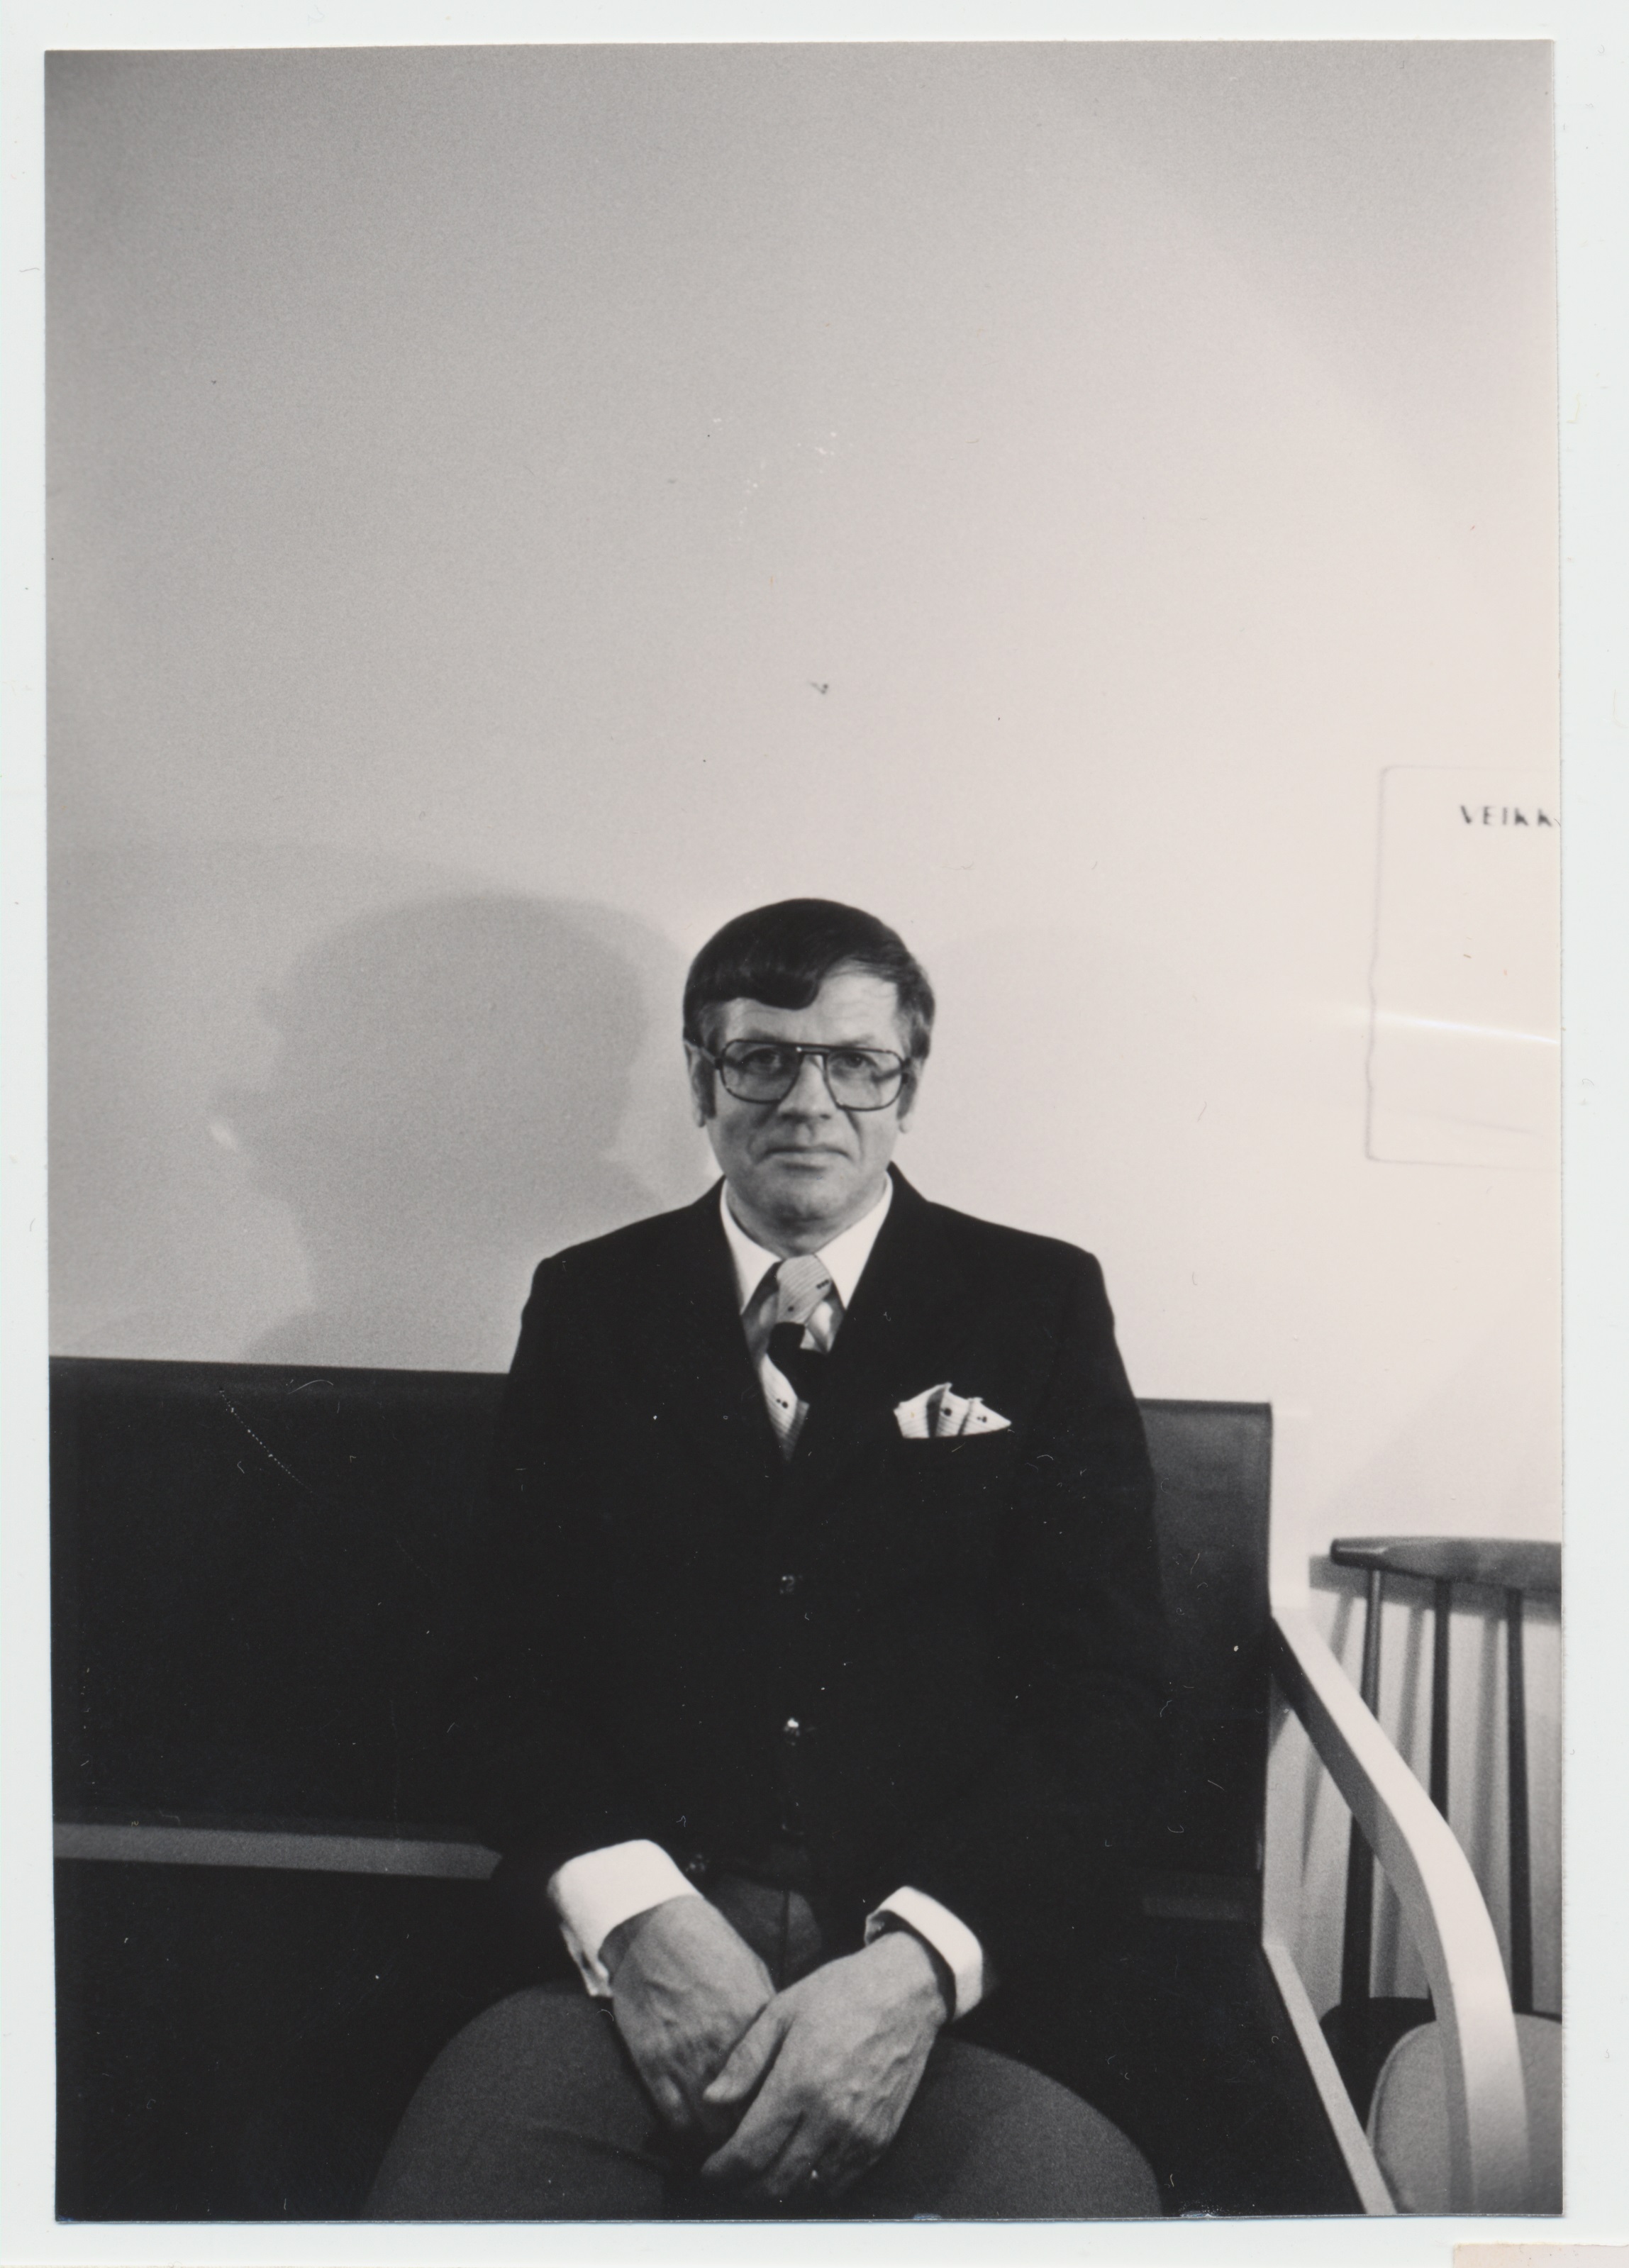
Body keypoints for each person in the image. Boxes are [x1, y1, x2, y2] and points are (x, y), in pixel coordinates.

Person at [368, 899, 1166, 2220]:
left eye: (855, 1063)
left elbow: (1105, 1694)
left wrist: (914, 1969)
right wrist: (641, 1921)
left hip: (958, 1975)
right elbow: (500, 1673)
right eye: (761, 1059)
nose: (809, 1101)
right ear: (701, 1080)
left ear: (908, 1085)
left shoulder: (1036, 1300)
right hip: (625, 1971)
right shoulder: (589, 1302)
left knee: (1067, 2208)